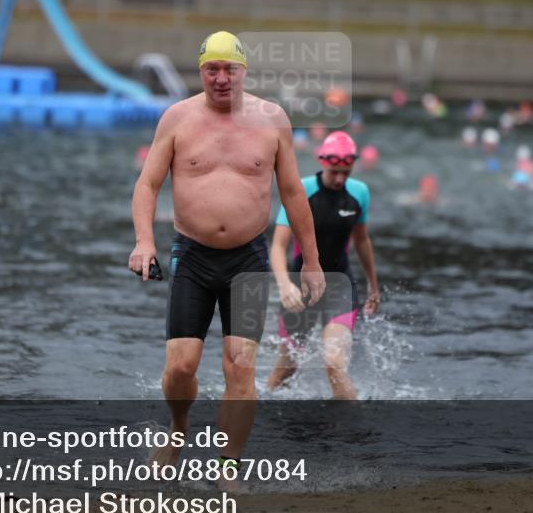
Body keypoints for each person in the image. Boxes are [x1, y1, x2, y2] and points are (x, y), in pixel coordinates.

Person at [129, 31, 325, 473]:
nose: (221, 78)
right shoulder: (177, 118)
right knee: (181, 367)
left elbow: (294, 193)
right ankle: (178, 428)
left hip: (247, 260)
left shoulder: (272, 119)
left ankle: (228, 466)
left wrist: (312, 261)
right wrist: (144, 241)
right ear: (201, 72)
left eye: (229, 69)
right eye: (211, 69)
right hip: (192, 257)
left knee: (241, 367)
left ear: (243, 71)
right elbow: (147, 184)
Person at [266, 131, 381, 400]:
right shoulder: (301, 190)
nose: (340, 179)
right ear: (322, 162)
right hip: (301, 287)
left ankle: (352, 422)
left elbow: (362, 240)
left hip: (340, 285)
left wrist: (373, 285)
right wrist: (284, 286)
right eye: (334, 172)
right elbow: (278, 246)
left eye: (346, 172)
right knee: (285, 370)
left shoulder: (359, 193)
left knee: (334, 364)